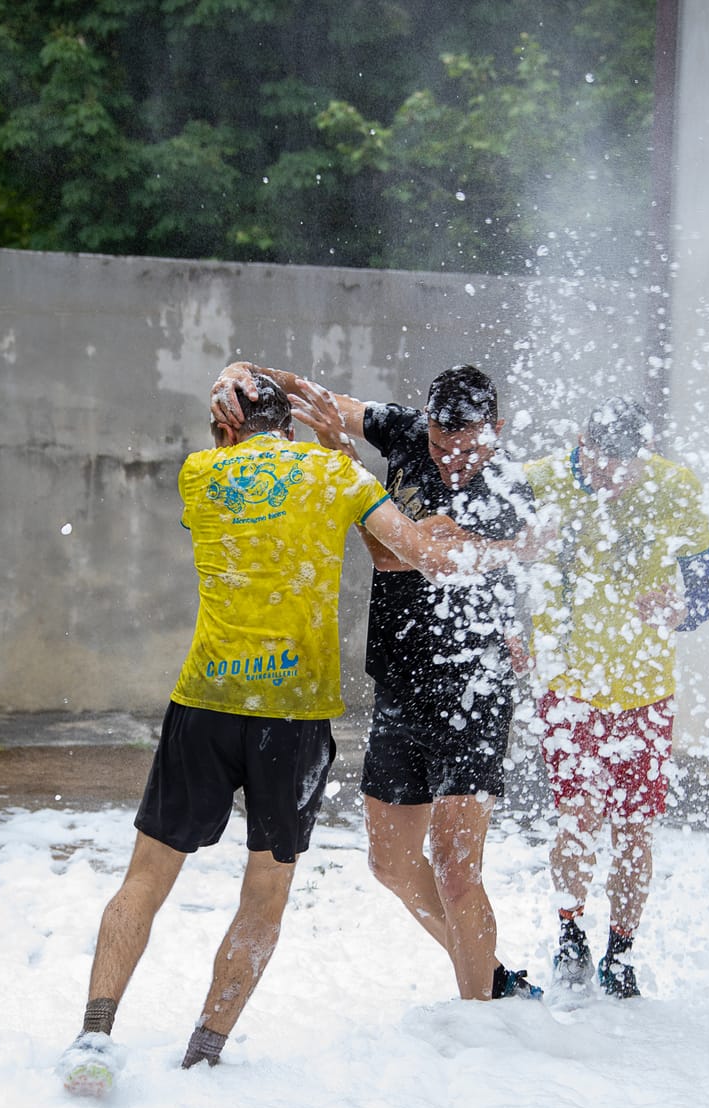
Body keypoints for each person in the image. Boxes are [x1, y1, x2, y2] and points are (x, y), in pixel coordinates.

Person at [58, 369, 487, 1097]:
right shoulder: (331, 474)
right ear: (287, 422)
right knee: (265, 892)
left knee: (145, 879)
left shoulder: (201, 475)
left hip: (207, 705)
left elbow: (245, 437)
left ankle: (94, 1035)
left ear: (226, 426)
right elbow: (418, 555)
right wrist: (472, 542)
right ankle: (204, 1054)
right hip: (292, 721)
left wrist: (233, 377)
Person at [212, 362, 542, 1003]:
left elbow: (394, 555)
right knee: (389, 862)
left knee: (454, 867)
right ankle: (490, 973)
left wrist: (343, 461)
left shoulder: (506, 492)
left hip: (473, 689)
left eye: (468, 447)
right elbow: (314, 395)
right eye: (442, 447)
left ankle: (481, 1011)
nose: (452, 461)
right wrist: (246, 372)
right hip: (399, 679)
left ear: (495, 430)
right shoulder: (406, 432)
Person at [524, 397, 709, 998]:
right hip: (568, 685)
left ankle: (621, 950)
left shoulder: (673, 486)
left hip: (644, 687)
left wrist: (683, 610)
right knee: (578, 816)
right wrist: (512, 633)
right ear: (583, 441)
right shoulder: (540, 481)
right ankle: (569, 933)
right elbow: (499, 569)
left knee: (634, 826)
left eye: (627, 467)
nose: (615, 478)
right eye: (604, 462)